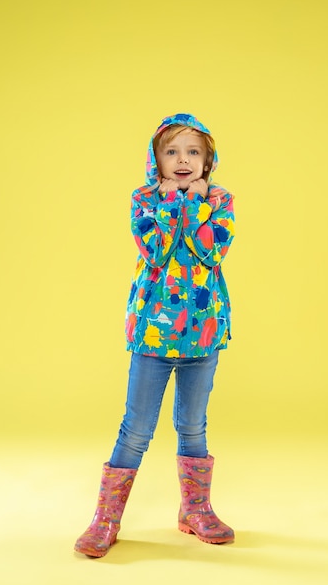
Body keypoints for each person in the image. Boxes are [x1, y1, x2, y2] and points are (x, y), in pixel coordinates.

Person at [74, 113, 235, 558]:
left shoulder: (222, 200)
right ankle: (105, 520)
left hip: (203, 334)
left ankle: (196, 510)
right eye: (172, 151)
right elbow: (156, 251)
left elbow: (210, 250)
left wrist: (197, 203)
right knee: (136, 428)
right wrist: (172, 205)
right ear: (156, 160)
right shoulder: (143, 200)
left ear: (207, 161)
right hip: (152, 334)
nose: (182, 160)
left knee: (193, 426)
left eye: (193, 152)